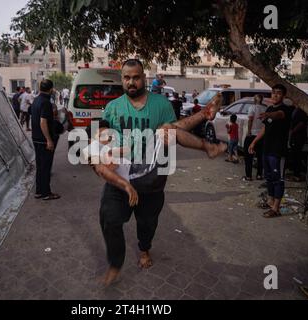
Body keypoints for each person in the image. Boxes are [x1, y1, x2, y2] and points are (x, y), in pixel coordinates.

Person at [92, 59, 226, 286]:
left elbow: (176, 130)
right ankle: (115, 263)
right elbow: (103, 128)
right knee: (109, 219)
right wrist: (104, 137)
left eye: (136, 77)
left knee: (147, 222)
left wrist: (202, 116)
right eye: (127, 77)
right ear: (122, 79)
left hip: (152, 176)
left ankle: (144, 249)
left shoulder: (161, 104)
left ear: (144, 78)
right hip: (121, 176)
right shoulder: (114, 106)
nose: (131, 82)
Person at [248, 84, 292, 218]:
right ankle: (271, 202)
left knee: (278, 179)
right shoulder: (269, 108)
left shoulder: (285, 109)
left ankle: (276, 208)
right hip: (267, 149)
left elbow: (278, 115)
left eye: (278, 93)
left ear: (283, 96)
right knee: (269, 178)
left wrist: (268, 114)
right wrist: (254, 142)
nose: (275, 95)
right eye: (273, 93)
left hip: (278, 151)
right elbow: (265, 129)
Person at [31, 80, 61, 201]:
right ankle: (46, 193)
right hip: (44, 140)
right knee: (45, 167)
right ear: (51, 89)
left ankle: (39, 191)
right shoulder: (46, 103)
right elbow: (43, 121)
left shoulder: (36, 100)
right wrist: (49, 140)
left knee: (40, 166)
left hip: (36, 138)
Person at [243, 94, 267, 181]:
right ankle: (259, 175)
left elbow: (250, 119)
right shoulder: (265, 108)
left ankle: (248, 176)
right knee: (260, 156)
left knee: (248, 156)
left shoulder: (252, 108)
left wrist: (249, 131)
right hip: (261, 135)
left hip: (252, 134)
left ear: (254, 99)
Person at [288, 106, 308, 181]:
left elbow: (302, 123)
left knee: (297, 155)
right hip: (295, 136)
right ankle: (295, 173)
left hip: (299, 136)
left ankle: (297, 174)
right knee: (294, 154)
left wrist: (293, 131)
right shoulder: (294, 109)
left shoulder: (302, 111)